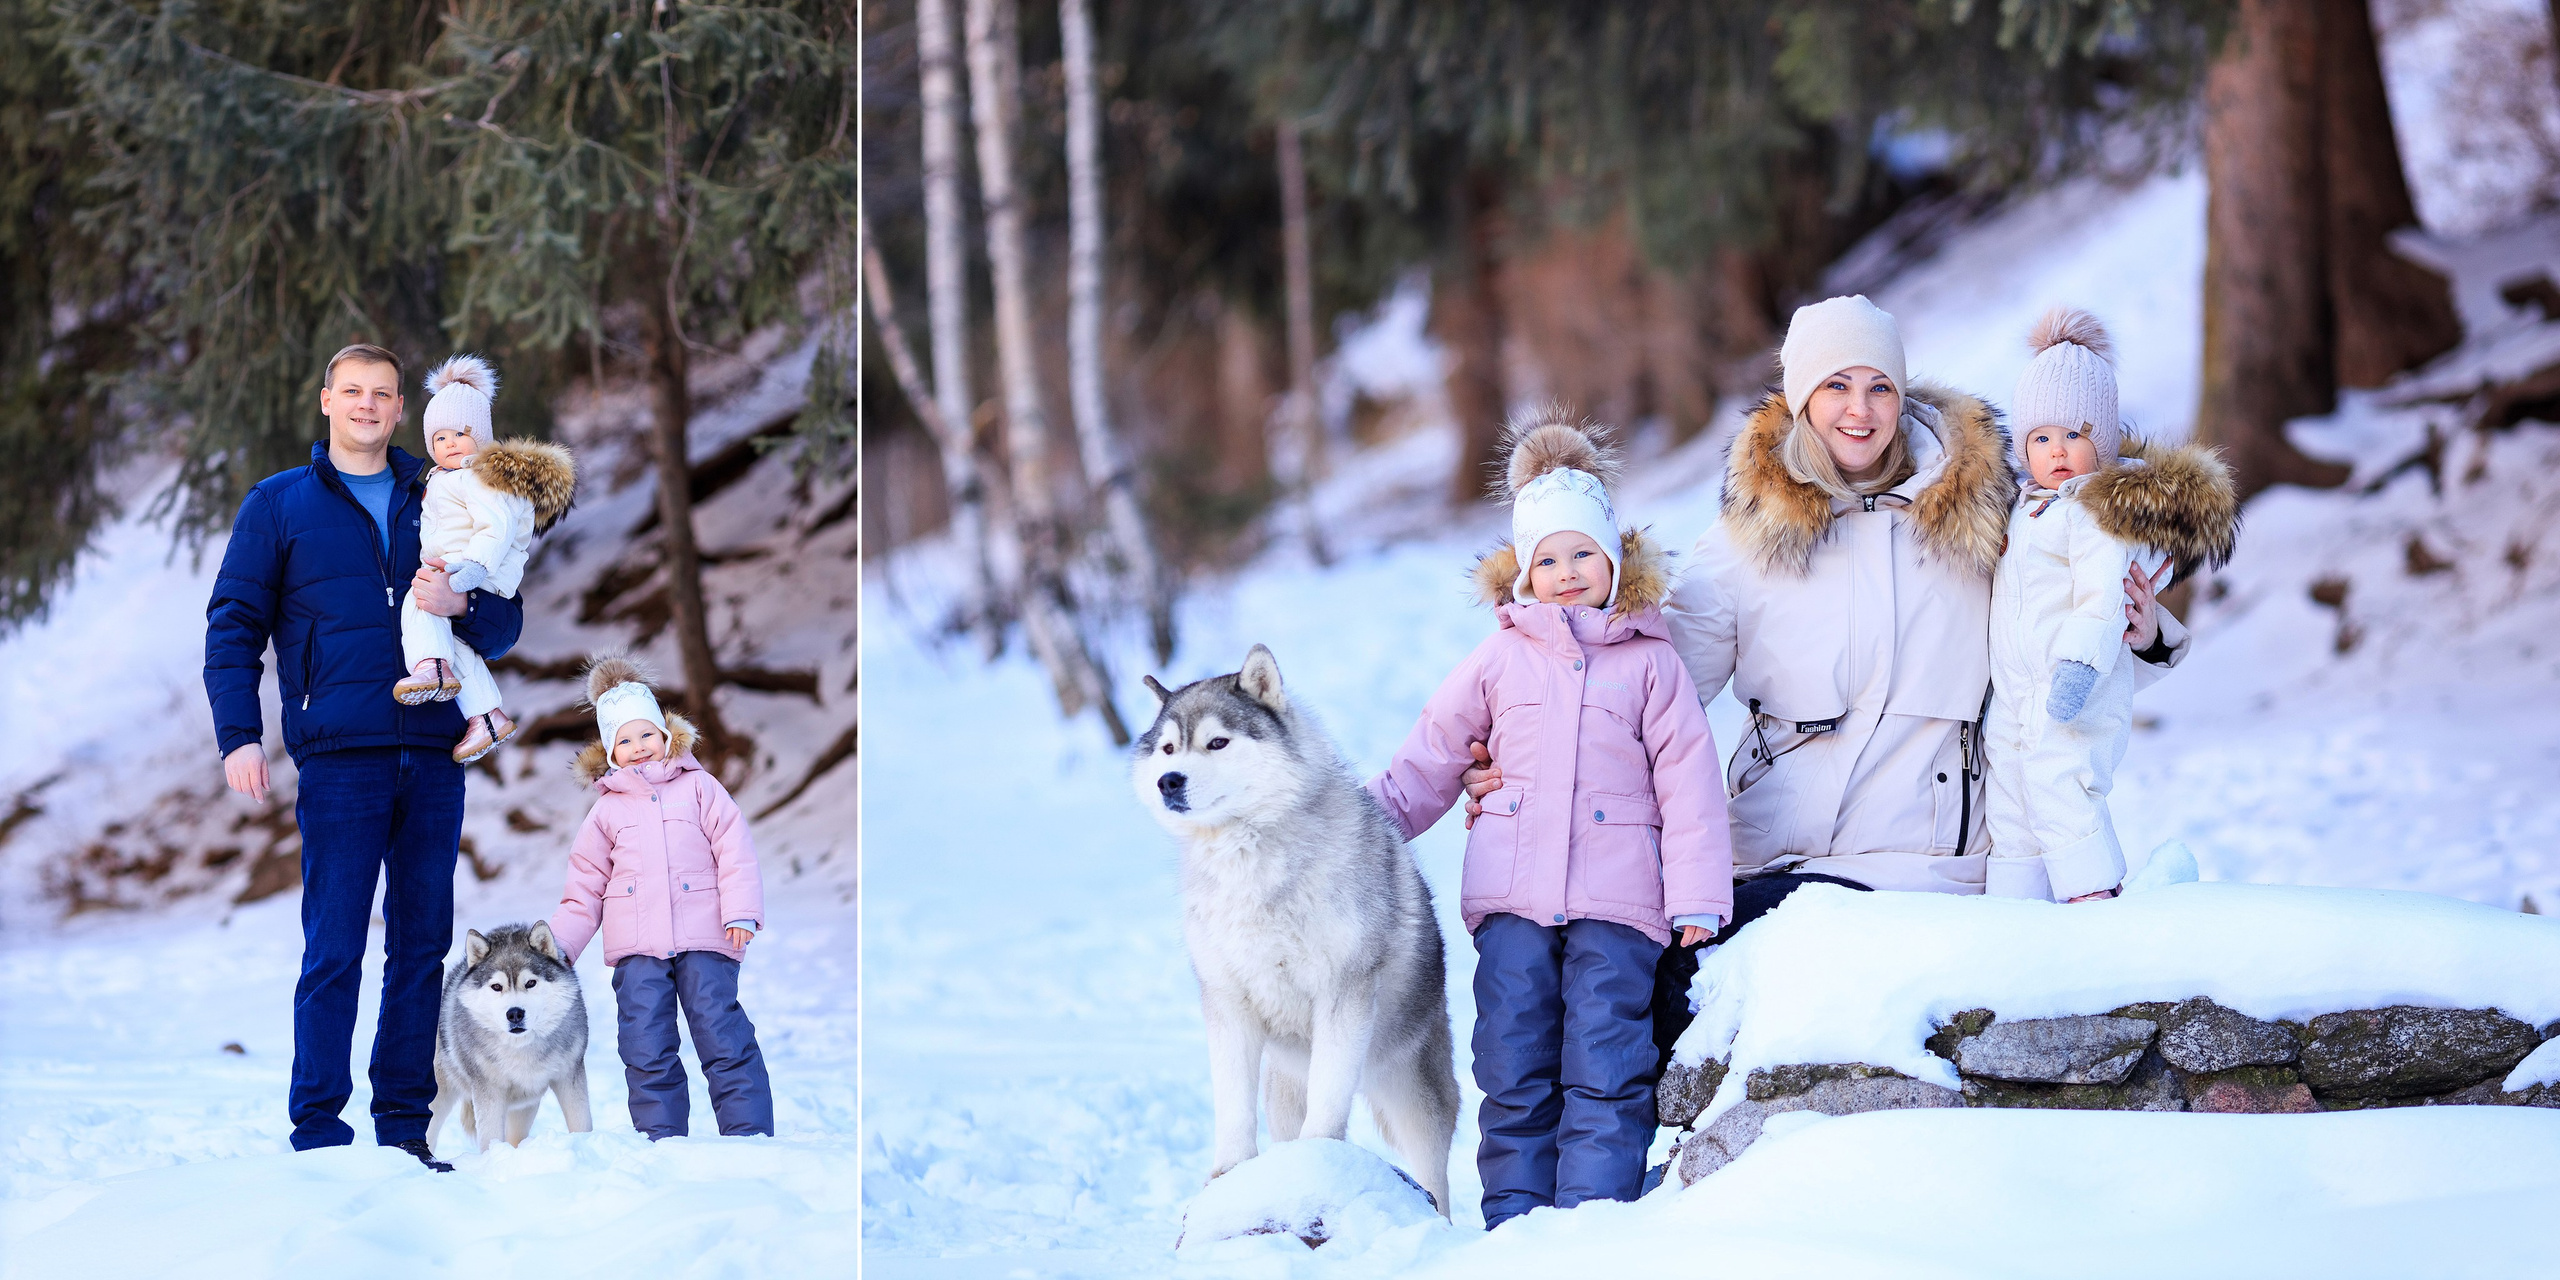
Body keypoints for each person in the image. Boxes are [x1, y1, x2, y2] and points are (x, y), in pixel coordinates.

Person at [1367, 410, 1731, 1228]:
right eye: (1548, 559)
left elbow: (1689, 783)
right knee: (1513, 1063)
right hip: (1512, 903)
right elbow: (1432, 752)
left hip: (1619, 905)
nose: (1567, 573)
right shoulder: (1498, 658)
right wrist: (1361, 829)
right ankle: (1516, 1229)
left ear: (1614, 560)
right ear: (1525, 573)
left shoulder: (1652, 663)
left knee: (1607, 1063)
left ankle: (1591, 1229)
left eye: (1583, 555)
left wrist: (1698, 894)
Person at [205, 342, 527, 1168]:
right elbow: (234, 625)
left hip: (434, 749)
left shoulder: (444, 488)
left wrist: (462, 603)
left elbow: (501, 621)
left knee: (420, 948)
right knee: (335, 946)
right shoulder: (279, 503)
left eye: (383, 393)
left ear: (400, 408)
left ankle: (403, 1124)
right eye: (353, 391)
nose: (368, 405)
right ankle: (319, 1128)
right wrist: (240, 735)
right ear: (327, 401)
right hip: (340, 755)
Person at [1985, 308, 2237, 900]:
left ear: (2101, 441)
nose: (2057, 451)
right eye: (2041, 438)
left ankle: (2093, 897)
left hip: (2075, 689)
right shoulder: (2024, 508)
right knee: (2012, 799)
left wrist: (2077, 670)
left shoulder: (2096, 515)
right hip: (2018, 697)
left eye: (2075, 435)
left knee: (2063, 786)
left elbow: (2102, 601)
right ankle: (2013, 910)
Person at [551, 658, 774, 1140]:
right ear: (610, 752)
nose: (637, 748)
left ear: (667, 735)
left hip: (706, 936)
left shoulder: (700, 788)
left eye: (646, 735)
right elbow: (585, 885)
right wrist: (559, 948)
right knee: (645, 1044)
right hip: (637, 949)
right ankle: (661, 1139)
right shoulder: (606, 812)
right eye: (624, 741)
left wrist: (740, 911)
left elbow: (734, 849)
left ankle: (749, 1136)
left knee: (722, 1034)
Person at [390, 354, 576, 764]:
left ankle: (432, 667)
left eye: (460, 433)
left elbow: (497, 526)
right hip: (462, 568)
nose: (450, 443)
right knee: (457, 644)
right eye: (440, 438)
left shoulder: (478, 476)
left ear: (481, 435)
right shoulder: (445, 478)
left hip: (474, 570)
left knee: (418, 603)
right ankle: (487, 718)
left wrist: (473, 567)